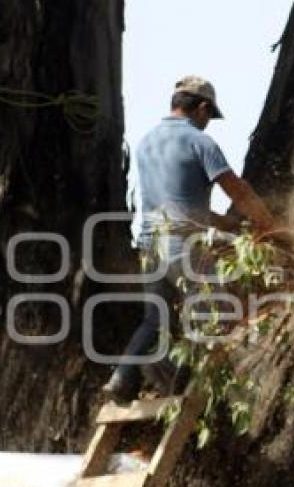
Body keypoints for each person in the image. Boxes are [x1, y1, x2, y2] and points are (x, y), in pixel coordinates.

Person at [102, 77, 279, 402]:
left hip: (150, 247)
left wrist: (231, 226)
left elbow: (182, 205)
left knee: (154, 320)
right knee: (220, 313)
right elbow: (237, 190)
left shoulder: (147, 143)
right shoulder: (199, 142)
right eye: (208, 116)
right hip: (183, 246)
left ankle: (121, 379)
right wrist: (269, 225)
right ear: (201, 108)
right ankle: (186, 388)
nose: (207, 123)